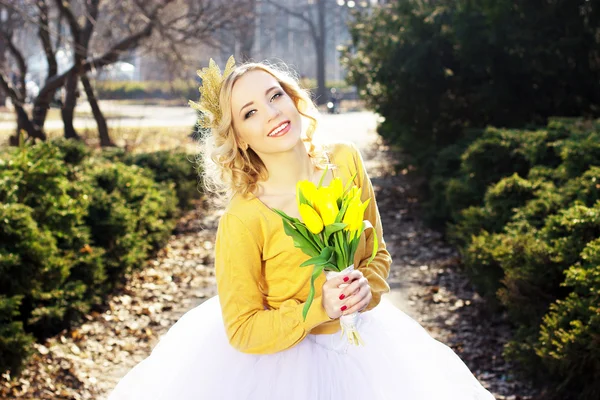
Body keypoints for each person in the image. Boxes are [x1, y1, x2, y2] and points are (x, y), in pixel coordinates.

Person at [108, 57, 495, 400]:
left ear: (293, 98)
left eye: (275, 96)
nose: (273, 114)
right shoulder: (244, 217)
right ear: (238, 138)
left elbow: (377, 252)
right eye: (250, 112)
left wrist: (366, 288)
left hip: (367, 349)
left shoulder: (345, 161)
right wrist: (318, 309)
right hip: (281, 371)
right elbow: (243, 329)